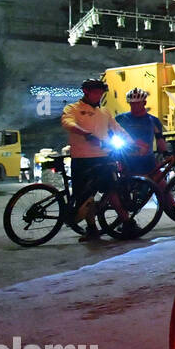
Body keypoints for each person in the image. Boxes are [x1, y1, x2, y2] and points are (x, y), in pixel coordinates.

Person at [60, 78, 125, 242]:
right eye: (96, 92)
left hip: (103, 157)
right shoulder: (73, 108)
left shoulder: (104, 111)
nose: (99, 95)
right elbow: (67, 122)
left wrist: (134, 143)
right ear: (86, 92)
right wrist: (86, 134)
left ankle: (127, 221)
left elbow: (117, 129)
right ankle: (92, 229)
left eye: (101, 92)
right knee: (85, 198)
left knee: (112, 190)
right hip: (82, 159)